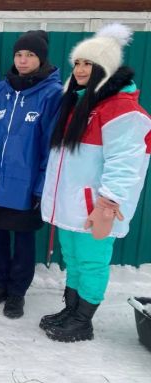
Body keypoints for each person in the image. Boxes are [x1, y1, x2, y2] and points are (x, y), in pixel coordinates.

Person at [40, 24, 151, 342]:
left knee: (91, 261)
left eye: (88, 63)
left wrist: (108, 202)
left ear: (106, 68)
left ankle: (83, 321)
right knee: (73, 258)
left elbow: (125, 164)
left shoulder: (122, 110)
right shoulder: (79, 103)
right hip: (72, 204)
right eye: (77, 63)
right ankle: (71, 310)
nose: (80, 69)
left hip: (96, 207)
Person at [0, 31, 63, 319]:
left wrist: (40, 188)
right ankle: (1, 285)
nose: (23, 60)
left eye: (30, 55)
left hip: (26, 187)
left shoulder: (52, 94)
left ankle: (17, 294)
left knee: (24, 241)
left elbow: (52, 146)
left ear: (42, 59)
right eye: (19, 54)